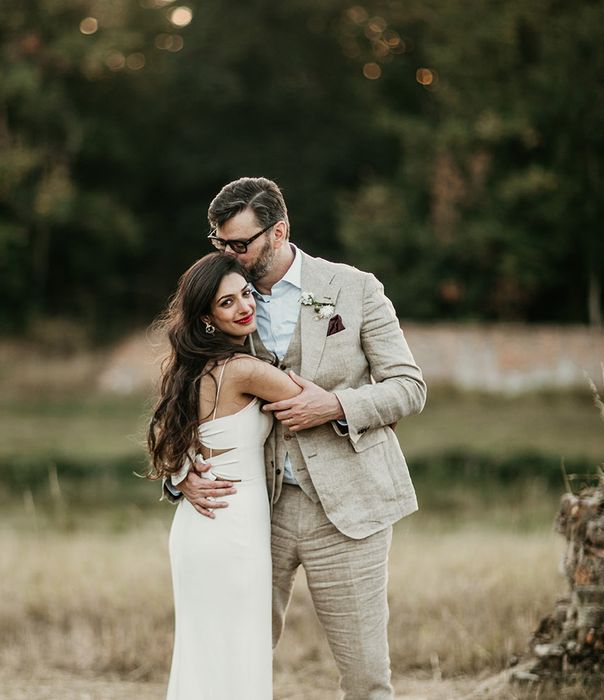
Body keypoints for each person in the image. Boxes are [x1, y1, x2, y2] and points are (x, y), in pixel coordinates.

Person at [167, 176, 426, 700]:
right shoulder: (220, 299)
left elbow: (409, 387)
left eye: (240, 244)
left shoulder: (354, 288)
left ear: (279, 231)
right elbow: (180, 396)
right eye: (220, 244)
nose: (229, 256)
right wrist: (180, 475)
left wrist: (335, 404)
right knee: (234, 660)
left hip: (349, 510)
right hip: (254, 510)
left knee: (366, 678)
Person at [148, 252, 306, 700]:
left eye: (246, 294)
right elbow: (316, 402)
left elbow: (164, 430)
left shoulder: (191, 369)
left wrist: (181, 475)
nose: (244, 307)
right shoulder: (244, 371)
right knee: (236, 655)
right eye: (227, 303)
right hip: (230, 527)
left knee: (209, 657)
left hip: (205, 525)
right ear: (207, 319)